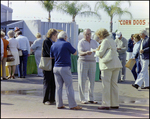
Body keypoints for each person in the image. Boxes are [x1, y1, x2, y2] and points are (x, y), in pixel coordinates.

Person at [50, 31, 82, 110]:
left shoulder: (53, 44)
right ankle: (72, 105)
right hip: (65, 67)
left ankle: (59, 104)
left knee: (58, 87)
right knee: (69, 86)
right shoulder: (66, 44)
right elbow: (75, 52)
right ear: (65, 37)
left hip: (56, 67)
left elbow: (51, 57)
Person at [94, 28, 122, 110]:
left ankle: (106, 104)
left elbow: (100, 53)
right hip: (116, 64)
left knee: (106, 85)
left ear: (101, 35)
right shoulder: (112, 40)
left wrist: (95, 51)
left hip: (107, 65)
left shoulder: (105, 41)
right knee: (114, 85)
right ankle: (115, 103)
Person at [77, 28, 98, 104]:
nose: (88, 36)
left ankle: (91, 98)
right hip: (83, 62)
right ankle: (82, 98)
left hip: (92, 62)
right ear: (83, 35)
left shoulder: (94, 42)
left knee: (92, 81)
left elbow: (97, 50)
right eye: (86, 34)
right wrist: (86, 53)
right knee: (82, 81)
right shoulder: (81, 42)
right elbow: (80, 52)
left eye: (89, 34)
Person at [42, 29, 57, 105]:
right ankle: (46, 99)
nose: (56, 37)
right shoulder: (46, 41)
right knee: (47, 81)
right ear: (52, 35)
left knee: (53, 82)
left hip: (53, 64)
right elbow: (49, 52)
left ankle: (52, 98)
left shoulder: (53, 42)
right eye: (56, 35)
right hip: (47, 64)